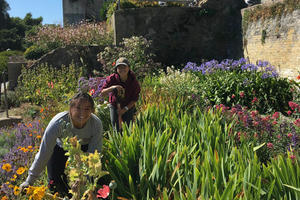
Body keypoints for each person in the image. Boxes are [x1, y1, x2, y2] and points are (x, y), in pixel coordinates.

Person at [20, 92, 103, 198]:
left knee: (86, 189)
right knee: (55, 186)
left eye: (87, 109)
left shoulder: (96, 124)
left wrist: (83, 177)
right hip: (61, 150)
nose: (82, 113)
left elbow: (94, 153)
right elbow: (44, 153)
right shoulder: (57, 123)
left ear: (92, 110)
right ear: (71, 108)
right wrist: (29, 181)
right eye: (78, 108)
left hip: (84, 152)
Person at [100, 57, 141, 132]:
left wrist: (124, 109)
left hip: (128, 106)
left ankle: (127, 142)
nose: (122, 69)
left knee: (128, 129)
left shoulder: (133, 81)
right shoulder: (112, 78)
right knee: (116, 129)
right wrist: (113, 87)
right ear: (116, 69)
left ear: (128, 68)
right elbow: (102, 93)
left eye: (124, 67)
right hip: (114, 106)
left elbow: (134, 99)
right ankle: (117, 142)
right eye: (119, 67)